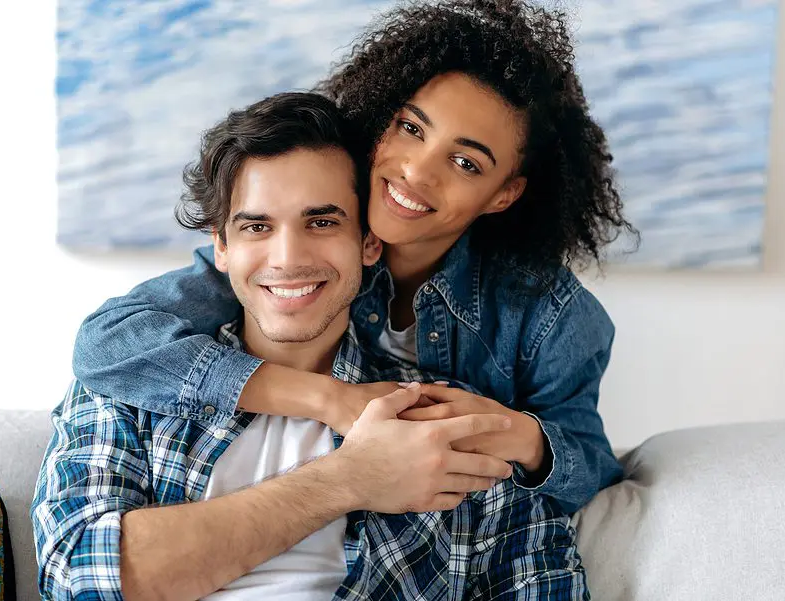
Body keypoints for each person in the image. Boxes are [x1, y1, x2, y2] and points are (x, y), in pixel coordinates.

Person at [72, 0, 638, 514]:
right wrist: (332, 400)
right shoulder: (302, 257)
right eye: (411, 129)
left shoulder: (552, 316)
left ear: (503, 194)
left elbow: (591, 465)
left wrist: (524, 438)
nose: (417, 170)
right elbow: (109, 343)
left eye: (466, 163)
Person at [32, 92, 588, 601]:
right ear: (220, 248)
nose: (287, 257)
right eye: (255, 228)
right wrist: (350, 478)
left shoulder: (444, 416)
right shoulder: (128, 385)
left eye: (321, 222)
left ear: (368, 242)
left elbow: (541, 576)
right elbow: (78, 578)